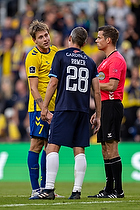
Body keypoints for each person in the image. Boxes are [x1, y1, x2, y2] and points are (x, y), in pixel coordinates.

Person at [30, 26, 101, 200]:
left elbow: (53, 83)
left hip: (63, 108)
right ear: (84, 43)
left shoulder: (60, 56)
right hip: (83, 111)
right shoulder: (91, 62)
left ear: (70, 38)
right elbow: (97, 91)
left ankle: (48, 189)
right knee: (80, 150)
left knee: (52, 146)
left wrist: (44, 107)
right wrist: (98, 115)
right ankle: (76, 191)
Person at [88, 25, 127, 198]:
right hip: (104, 106)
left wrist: (93, 83)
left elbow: (113, 85)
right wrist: (97, 110)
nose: (96, 40)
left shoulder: (116, 60)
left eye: (99, 37)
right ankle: (109, 189)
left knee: (112, 147)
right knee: (104, 148)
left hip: (112, 105)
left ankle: (118, 190)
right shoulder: (105, 60)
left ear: (108, 40)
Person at [25, 20, 58, 199]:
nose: (45, 39)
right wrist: (43, 109)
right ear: (34, 40)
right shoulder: (32, 56)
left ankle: (47, 189)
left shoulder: (55, 52)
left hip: (55, 108)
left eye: (46, 35)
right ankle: (35, 189)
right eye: (40, 37)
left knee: (49, 146)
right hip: (39, 109)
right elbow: (33, 87)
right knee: (37, 144)